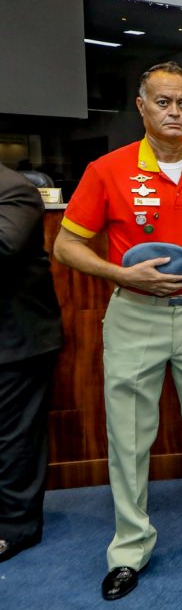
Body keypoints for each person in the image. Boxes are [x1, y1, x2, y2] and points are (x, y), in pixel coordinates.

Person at [52, 62, 182, 600]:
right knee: (130, 437)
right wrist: (122, 274)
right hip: (135, 314)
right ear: (141, 107)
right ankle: (129, 548)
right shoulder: (108, 170)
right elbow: (65, 246)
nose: (174, 113)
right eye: (163, 102)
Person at [0, 166, 63, 564]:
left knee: (13, 440)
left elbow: (3, 250)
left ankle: (15, 527)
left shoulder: (15, 190)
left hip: (16, 341)